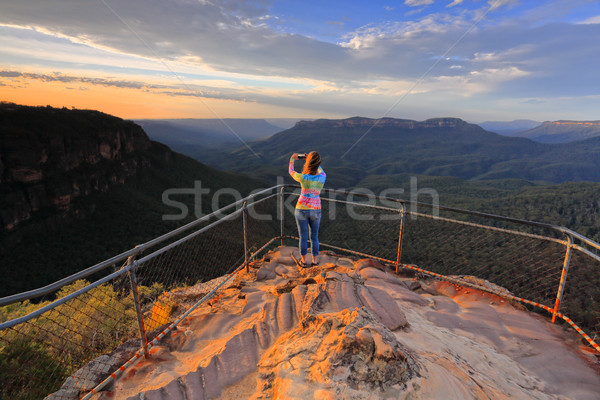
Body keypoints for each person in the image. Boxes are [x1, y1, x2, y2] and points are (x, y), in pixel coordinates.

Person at [289, 151, 326, 266]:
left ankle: (304, 261)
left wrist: (292, 159)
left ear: (309, 163)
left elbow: (291, 172)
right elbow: (320, 169)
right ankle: (315, 261)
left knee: (303, 237)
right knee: (314, 236)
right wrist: (312, 161)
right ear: (318, 163)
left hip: (301, 208)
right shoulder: (322, 177)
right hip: (316, 209)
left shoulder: (303, 177)